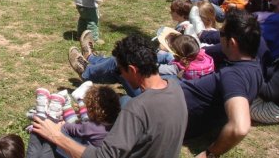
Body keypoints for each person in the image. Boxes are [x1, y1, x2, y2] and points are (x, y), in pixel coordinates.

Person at [34, 35, 187, 158]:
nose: (121, 76)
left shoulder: (137, 109)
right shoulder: (175, 88)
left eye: (121, 71)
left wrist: (55, 135)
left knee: (44, 134)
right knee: (124, 100)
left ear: (133, 70)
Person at [182, 9, 263, 157]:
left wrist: (210, 154)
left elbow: (240, 127)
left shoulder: (232, 76)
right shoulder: (254, 65)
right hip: (177, 103)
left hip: (168, 114)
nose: (219, 37)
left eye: (221, 34)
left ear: (232, 42)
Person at [26, 84, 120, 158]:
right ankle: (46, 111)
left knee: (52, 133)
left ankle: (47, 115)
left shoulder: (90, 127)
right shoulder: (118, 125)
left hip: (81, 153)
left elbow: (68, 128)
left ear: (91, 111)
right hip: (94, 152)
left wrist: (61, 124)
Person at [250, 0, 279, 124]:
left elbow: (269, 93)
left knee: (232, 97)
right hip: (275, 97)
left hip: (270, 109)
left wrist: (250, 67)